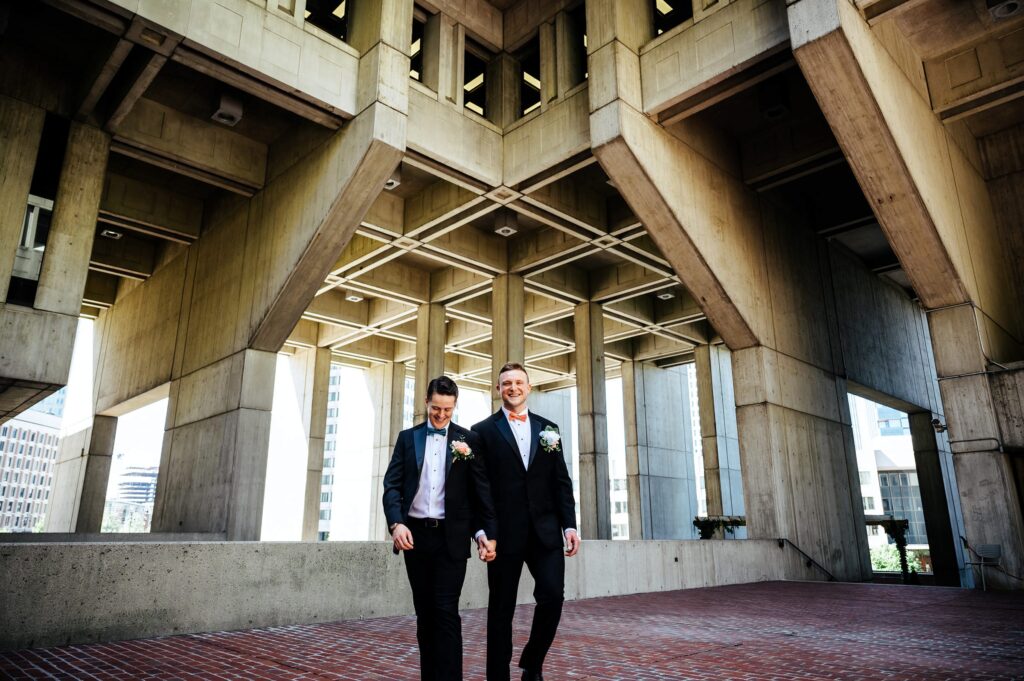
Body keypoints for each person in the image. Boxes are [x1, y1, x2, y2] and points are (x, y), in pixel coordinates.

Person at [382, 375, 498, 681]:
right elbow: (392, 486)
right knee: (425, 615)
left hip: (451, 539)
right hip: (415, 538)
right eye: (436, 409)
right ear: (426, 402)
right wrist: (396, 524)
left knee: (446, 613)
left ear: (454, 405)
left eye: (448, 409)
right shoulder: (408, 438)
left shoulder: (468, 440)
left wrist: (486, 533)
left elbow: (480, 493)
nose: (441, 415)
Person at [472, 363, 580, 681]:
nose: (513, 388)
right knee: (501, 609)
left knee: (552, 596)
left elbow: (561, 482)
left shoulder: (549, 430)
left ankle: (532, 664)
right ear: (498, 389)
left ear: (529, 387)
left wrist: (569, 526)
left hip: (545, 532)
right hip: (503, 535)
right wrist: (482, 531)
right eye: (507, 383)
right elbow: (479, 489)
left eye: (519, 382)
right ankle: (497, 675)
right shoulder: (481, 431)